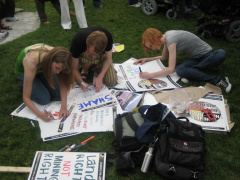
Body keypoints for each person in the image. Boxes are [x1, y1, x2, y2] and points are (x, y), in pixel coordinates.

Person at [134, 28, 232, 93]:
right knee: (180, 70)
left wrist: (150, 75)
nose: (152, 49)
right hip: (196, 59)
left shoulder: (171, 40)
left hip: (209, 55)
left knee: (221, 53)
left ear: (154, 38)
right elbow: (164, 57)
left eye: (151, 46)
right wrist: (147, 59)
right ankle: (196, 73)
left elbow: (170, 69)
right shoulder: (166, 38)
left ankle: (216, 79)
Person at [15, 44, 75, 122]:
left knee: (58, 93)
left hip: (41, 69)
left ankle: (39, 78)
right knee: (44, 99)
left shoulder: (61, 56)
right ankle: (24, 81)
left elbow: (63, 81)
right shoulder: (31, 62)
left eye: (60, 70)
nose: (58, 72)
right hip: (24, 72)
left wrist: (64, 106)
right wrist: (40, 115)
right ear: (51, 60)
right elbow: (26, 98)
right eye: (57, 68)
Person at [70, 26, 117, 92]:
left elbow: (108, 59)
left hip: (101, 58)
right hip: (83, 57)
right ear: (87, 45)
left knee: (111, 81)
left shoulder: (108, 37)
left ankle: (95, 67)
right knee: (89, 56)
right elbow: (74, 68)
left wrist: (100, 76)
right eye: (93, 53)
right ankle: (85, 70)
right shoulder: (78, 40)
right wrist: (81, 82)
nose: (94, 56)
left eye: (97, 54)